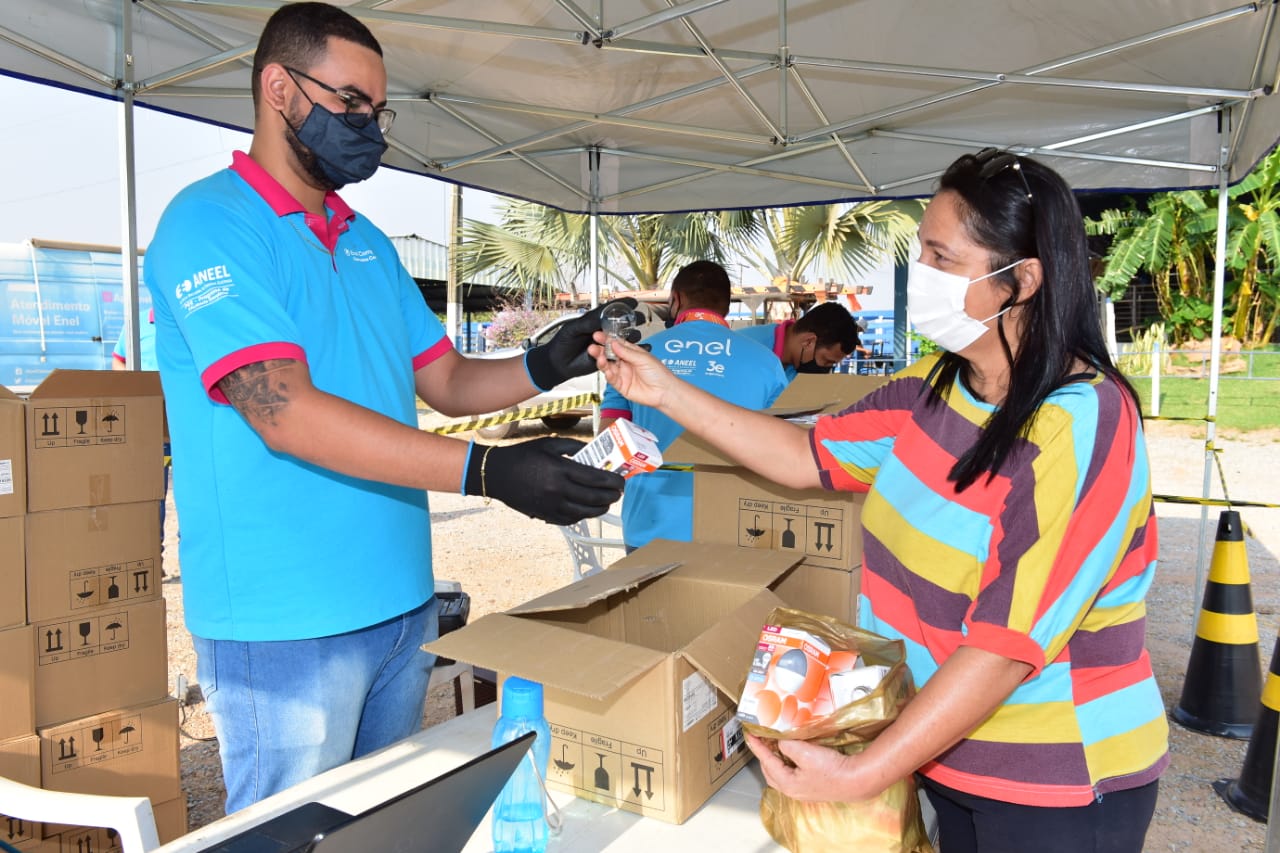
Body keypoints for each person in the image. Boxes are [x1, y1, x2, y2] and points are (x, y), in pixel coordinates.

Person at [597, 149, 1166, 853]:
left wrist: (860, 771)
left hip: (1055, 786)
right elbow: (803, 453)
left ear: (1018, 282)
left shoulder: (1084, 425)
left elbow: (1006, 647)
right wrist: (664, 390)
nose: (919, 272)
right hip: (942, 754)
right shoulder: (935, 387)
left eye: (940, 255)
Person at [146, 2, 627, 814]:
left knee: (385, 828)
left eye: (378, 110)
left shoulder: (364, 240)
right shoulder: (209, 225)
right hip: (286, 624)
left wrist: (548, 359)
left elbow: (447, 382)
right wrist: (488, 469)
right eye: (350, 104)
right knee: (294, 834)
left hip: (400, 608)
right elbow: (284, 410)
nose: (370, 127)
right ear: (278, 88)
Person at [600, 260, 786, 551]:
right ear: (726, 305)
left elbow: (610, 439)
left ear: (676, 299)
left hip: (650, 520)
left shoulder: (635, 355)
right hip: (738, 524)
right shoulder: (767, 362)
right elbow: (780, 445)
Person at [737, 300, 860, 379]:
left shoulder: (796, 366)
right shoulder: (743, 348)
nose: (826, 369)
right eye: (827, 361)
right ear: (809, 342)